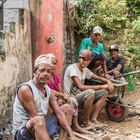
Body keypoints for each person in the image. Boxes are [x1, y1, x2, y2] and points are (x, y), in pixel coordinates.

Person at [12, 54, 77, 140]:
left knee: (67, 108)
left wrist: (72, 135)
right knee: (39, 120)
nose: (46, 74)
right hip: (24, 132)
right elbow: (34, 118)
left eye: (49, 72)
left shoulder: (47, 90)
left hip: (41, 125)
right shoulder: (25, 89)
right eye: (42, 70)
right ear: (34, 73)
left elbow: (59, 113)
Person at [64, 49, 114, 126]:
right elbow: (81, 87)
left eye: (88, 60)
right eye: (83, 59)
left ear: (90, 61)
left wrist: (108, 81)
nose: (85, 61)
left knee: (104, 92)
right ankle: (86, 122)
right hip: (71, 97)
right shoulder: (72, 68)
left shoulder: (85, 69)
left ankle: (93, 119)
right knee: (90, 92)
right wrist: (102, 86)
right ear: (78, 58)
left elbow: (97, 77)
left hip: (80, 95)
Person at [46, 53, 88, 133]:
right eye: (52, 63)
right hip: (50, 99)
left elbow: (60, 90)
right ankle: (62, 128)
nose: (54, 66)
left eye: (55, 64)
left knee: (72, 100)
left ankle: (75, 125)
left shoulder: (55, 77)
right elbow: (47, 91)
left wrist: (63, 97)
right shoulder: (45, 76)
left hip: (58, 97)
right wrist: (58, 98)